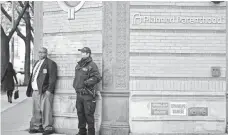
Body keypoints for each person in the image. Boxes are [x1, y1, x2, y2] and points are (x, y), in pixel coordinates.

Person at [26, 47, 57, 135]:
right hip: (35, 91)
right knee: (36, 110)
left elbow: (53, 78)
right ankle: (37, 126)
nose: (40, 54)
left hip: (45, 91)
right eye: (39, 52)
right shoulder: (37, 63)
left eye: (42, 52)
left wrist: (49, 90)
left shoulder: (50, 63)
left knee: (46, 109)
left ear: (46, 53)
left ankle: (48, 127)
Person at [73, 47, 101, 135]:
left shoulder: (92, 65)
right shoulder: (79, 65)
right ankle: (82, 132)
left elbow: (97, 77)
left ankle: (91, 133)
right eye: (81, 52)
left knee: (88, 115)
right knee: (80, 114)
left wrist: (86, 82)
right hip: (79, 94)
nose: (81, 53)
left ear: (88, 54)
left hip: (87, 94)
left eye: (83, 52)